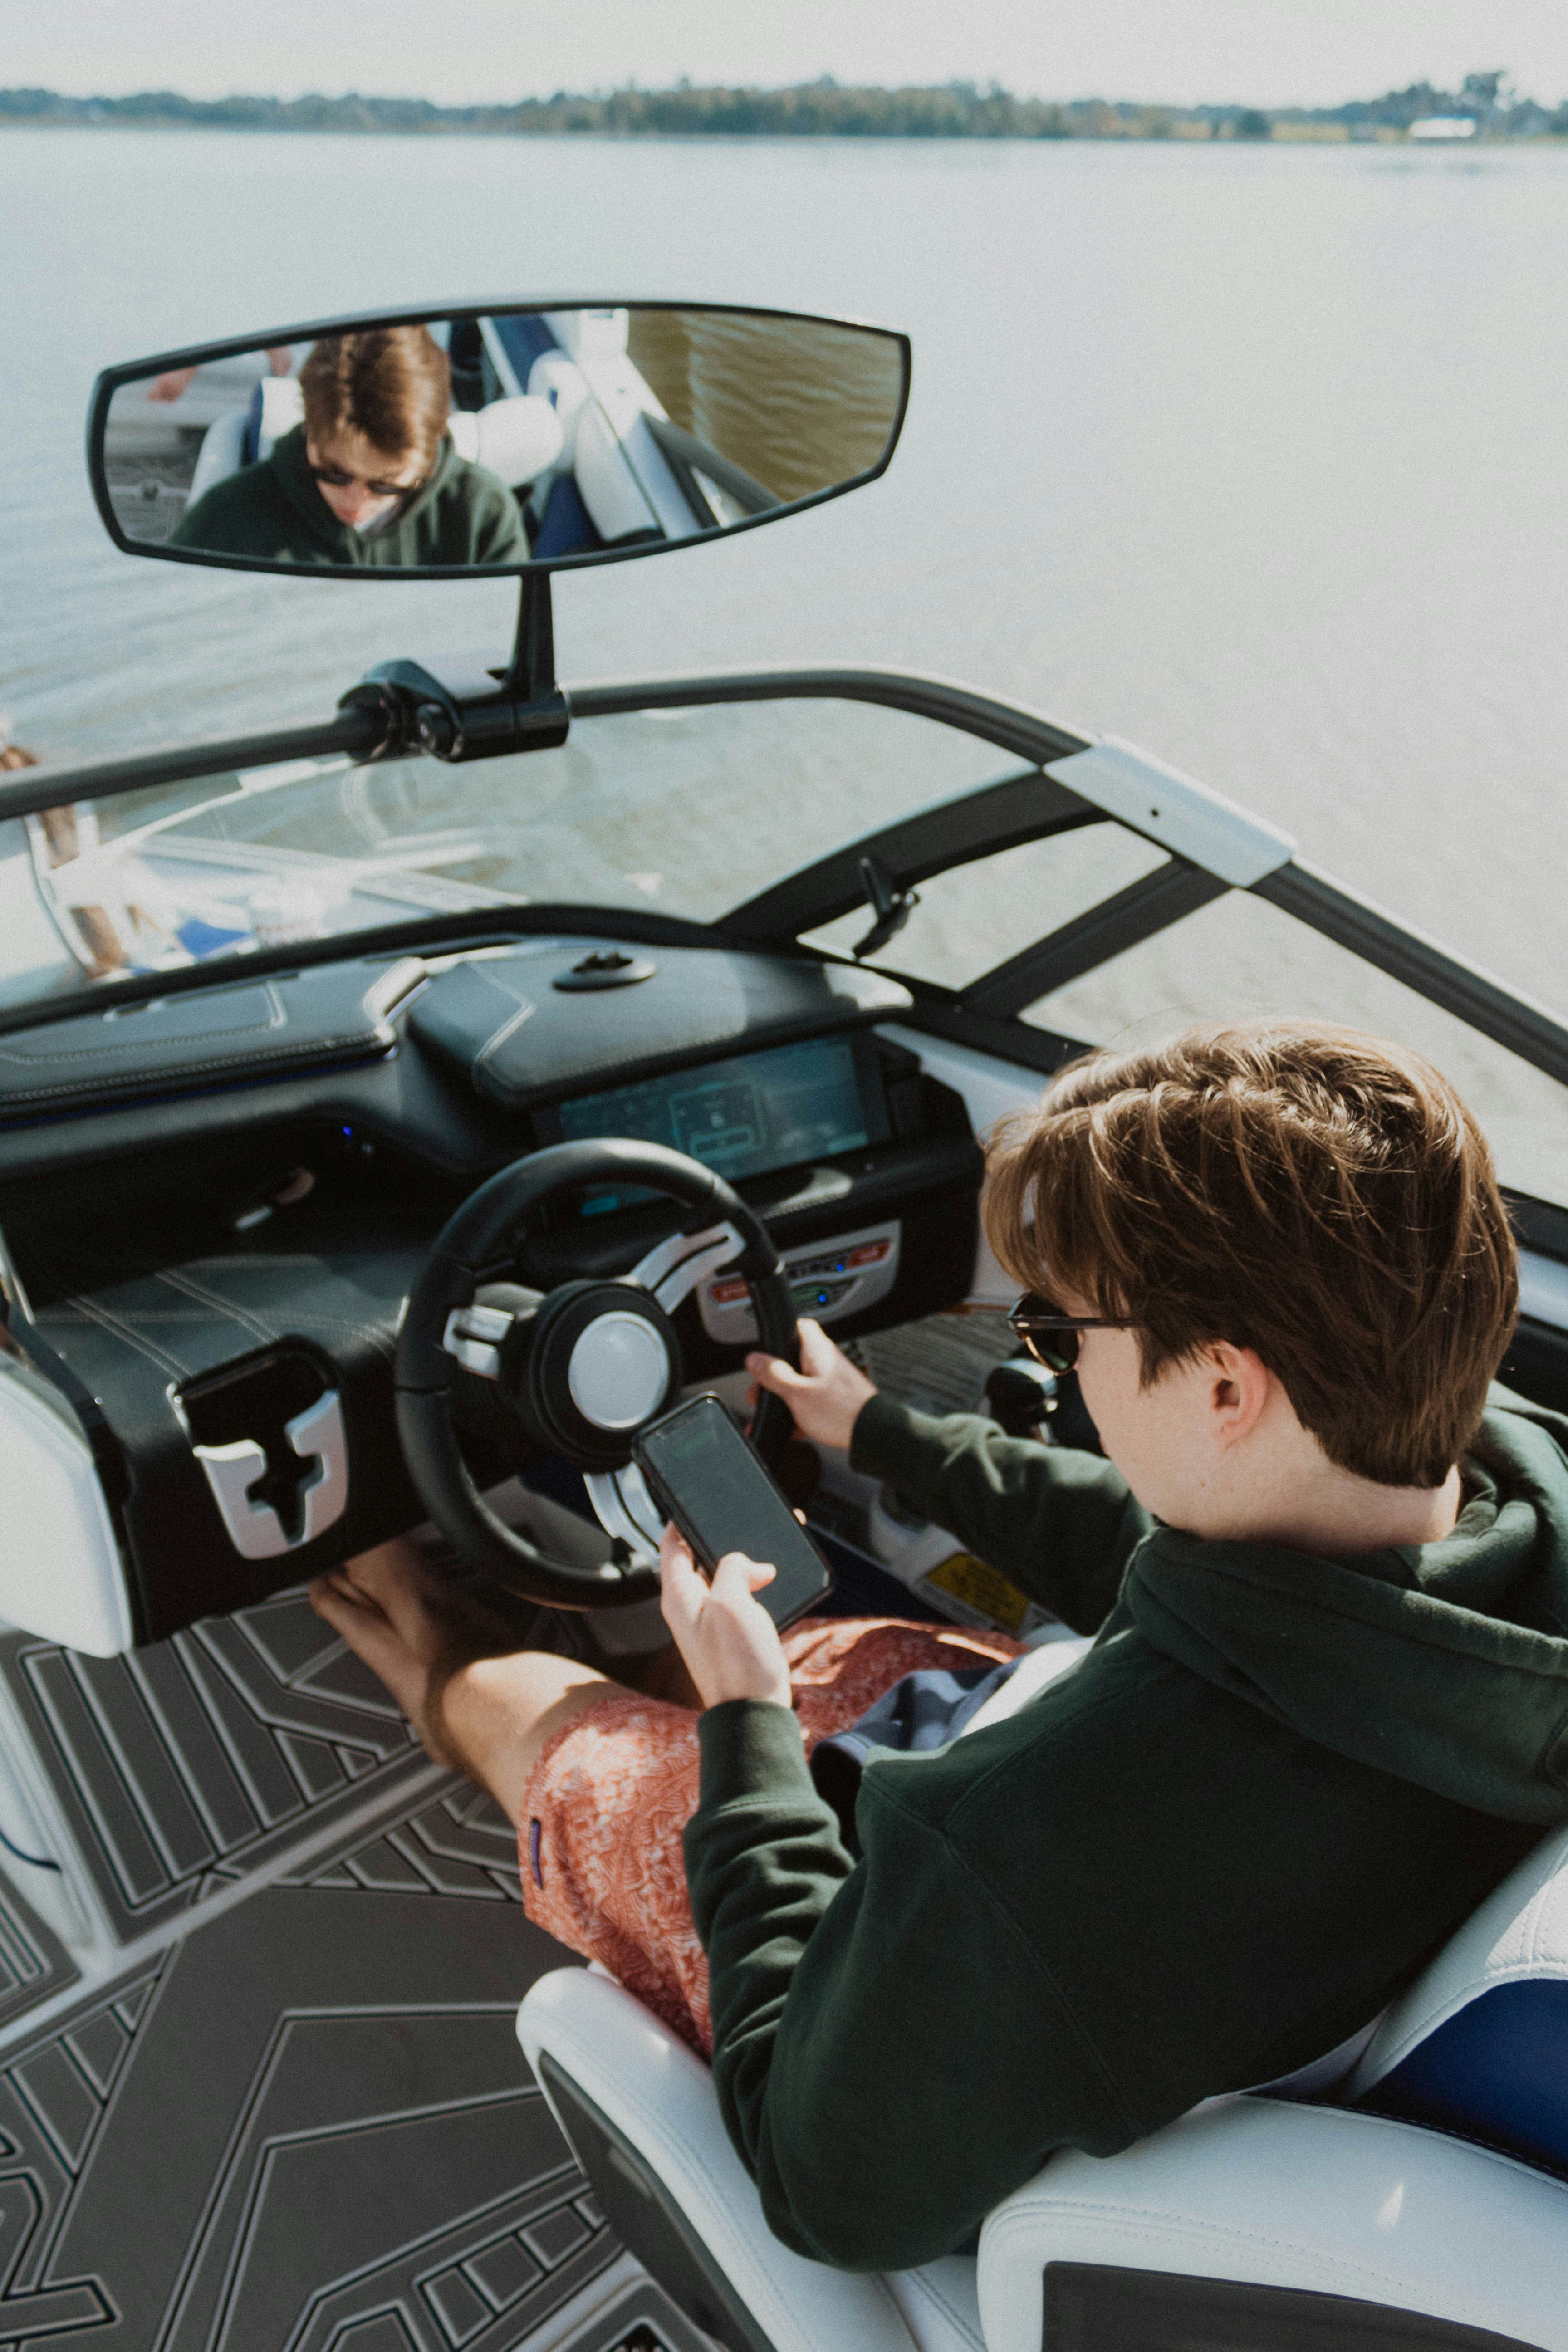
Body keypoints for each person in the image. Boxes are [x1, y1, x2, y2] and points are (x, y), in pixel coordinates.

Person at [310, 1020, 1568, 2271]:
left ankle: (421, 1627)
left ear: (1226, 1391)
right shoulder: (1493, 1503)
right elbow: (1167, 1542)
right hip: (1025, 1795)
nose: (1064, 1370)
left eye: (1066, 1335)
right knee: (759, 1654)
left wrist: (745, 1730)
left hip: (945, 1963)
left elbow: (818, 2181)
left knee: (554, 1719)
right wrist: (881, 1432)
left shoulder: (1032, 1842)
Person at [172, 326, 529, 568]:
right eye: (335, 474)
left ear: (427, 457)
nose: (357, 503)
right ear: (309, 429)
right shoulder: (225, 519)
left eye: (386, 484)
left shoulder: (484, 515)